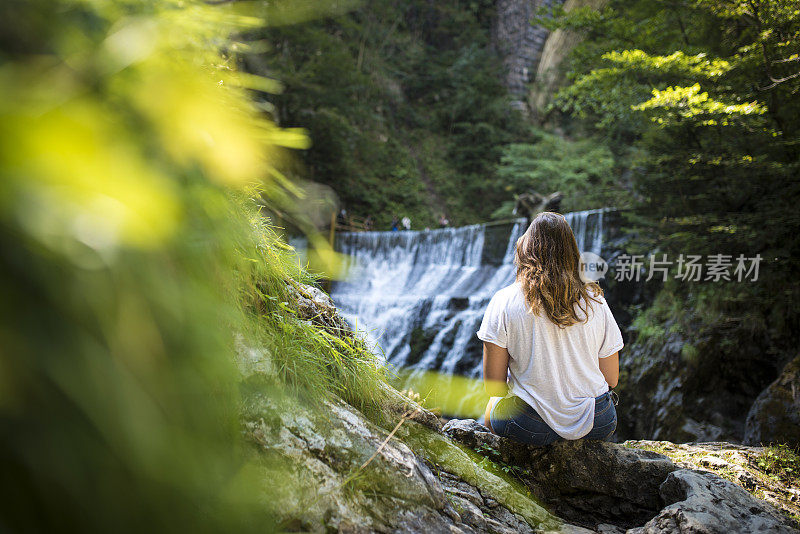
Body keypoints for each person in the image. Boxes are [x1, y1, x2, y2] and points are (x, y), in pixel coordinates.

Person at [477, 211, 623, 446]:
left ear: (526, 250)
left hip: (529, 424)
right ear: (572, 252)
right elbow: (611, 378)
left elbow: (494, 385)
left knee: (492, 406)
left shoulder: (504, 300)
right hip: (597, 421)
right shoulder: (595, 299)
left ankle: (496, 474)